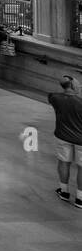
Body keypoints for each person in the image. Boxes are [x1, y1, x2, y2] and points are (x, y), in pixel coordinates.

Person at [49, 74, 82, 208]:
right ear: (73, 85)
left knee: (64, 163)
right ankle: (80, 198)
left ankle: (64, 191)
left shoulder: (54, 98)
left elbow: (53, 95)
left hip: (62, 136)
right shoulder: (80, 102)